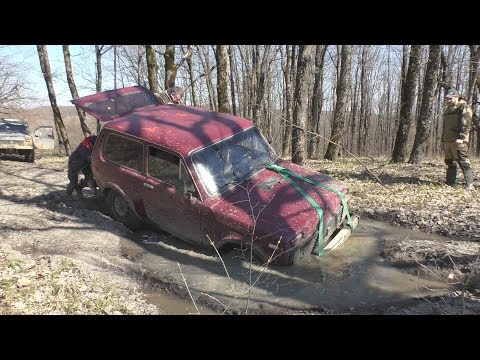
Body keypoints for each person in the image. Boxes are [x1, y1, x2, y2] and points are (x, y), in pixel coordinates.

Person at [441, 88, 474, 190]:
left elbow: (467, 124)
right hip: (448, 139)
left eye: (450, 99)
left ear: (456, 97)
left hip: (458, 140)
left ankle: (470, 184)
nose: (448, 101)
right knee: (450, 161)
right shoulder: (447, 109)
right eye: (447, 99)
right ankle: (450, 182)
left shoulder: (464, 108)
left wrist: (462, 137)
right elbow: (445, 125)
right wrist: (443, 138)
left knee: (463, 161)